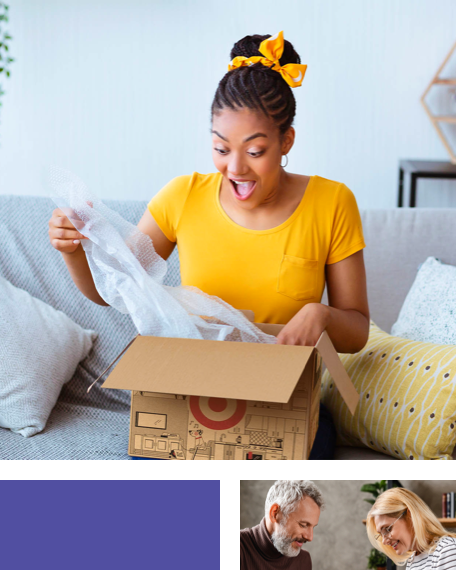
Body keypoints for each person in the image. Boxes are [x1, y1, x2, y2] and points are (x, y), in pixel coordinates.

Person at [47, 31, 370, 459]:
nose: (235, 168)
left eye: (255, 151)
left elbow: (358, 332)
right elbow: (117, 290)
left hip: (285, 398)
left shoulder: (333, 203)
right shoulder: (182, 197)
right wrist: (74, 251)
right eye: (221, 147)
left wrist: (321, 313)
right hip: (193, 396)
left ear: (286, 141)